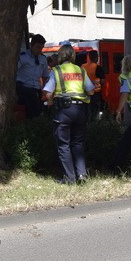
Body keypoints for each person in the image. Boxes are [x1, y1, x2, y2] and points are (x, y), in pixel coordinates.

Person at [42, 44, 94, 184]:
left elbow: (47, 93)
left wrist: (51, 101)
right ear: (73, 56)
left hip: (64, 111)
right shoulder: (80, 70)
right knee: (78, 143)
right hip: (80, 110)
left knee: (63, 144)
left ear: (60, 55)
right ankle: (82, 175)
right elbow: (91, 91)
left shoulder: (57, 70)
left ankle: (69, 178)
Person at [15, 34, 48, 119]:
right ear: (31, 45)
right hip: (24, 87)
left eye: (41, 48)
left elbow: (45, 77)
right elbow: (14, 71)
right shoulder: (23, 57)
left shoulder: (43, 59)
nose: (39, 50)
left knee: (42, 106)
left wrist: (46, 91)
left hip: (36, 88)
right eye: (37, 47)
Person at [82, 49, 106, 120]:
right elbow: (103, 81)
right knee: (95, 111)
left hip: (84, 93)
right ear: (96, 57)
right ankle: (95, 124)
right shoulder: (98, 67)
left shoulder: (82, 66)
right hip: (95, 93)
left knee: (85, 111)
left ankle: (86, 123)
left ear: (89, 57)